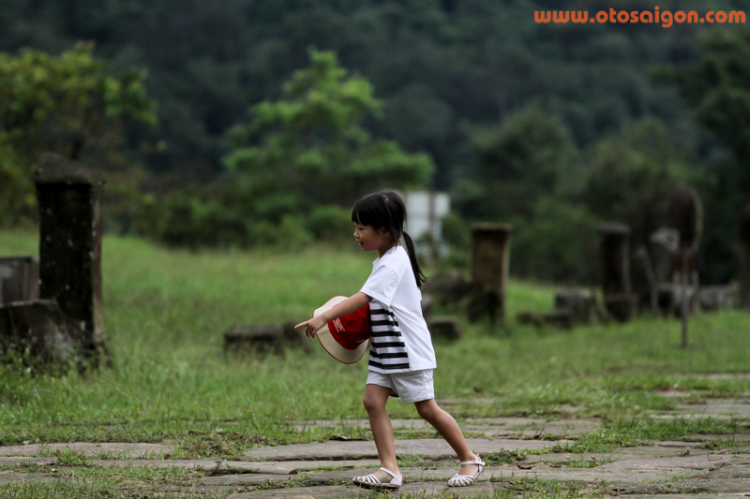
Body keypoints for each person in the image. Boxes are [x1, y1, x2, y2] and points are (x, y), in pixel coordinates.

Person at [296, 191, 484, 489]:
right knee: (372, 401)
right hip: (386, 351)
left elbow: (363, 298)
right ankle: (390, 469)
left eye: (361, 228)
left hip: (408, 352)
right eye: (355, 227)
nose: (355, 234)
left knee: (427, 409)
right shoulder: (387, 258)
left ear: (384, 231)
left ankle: (469, 459)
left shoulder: (393, 262)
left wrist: (325, 316)